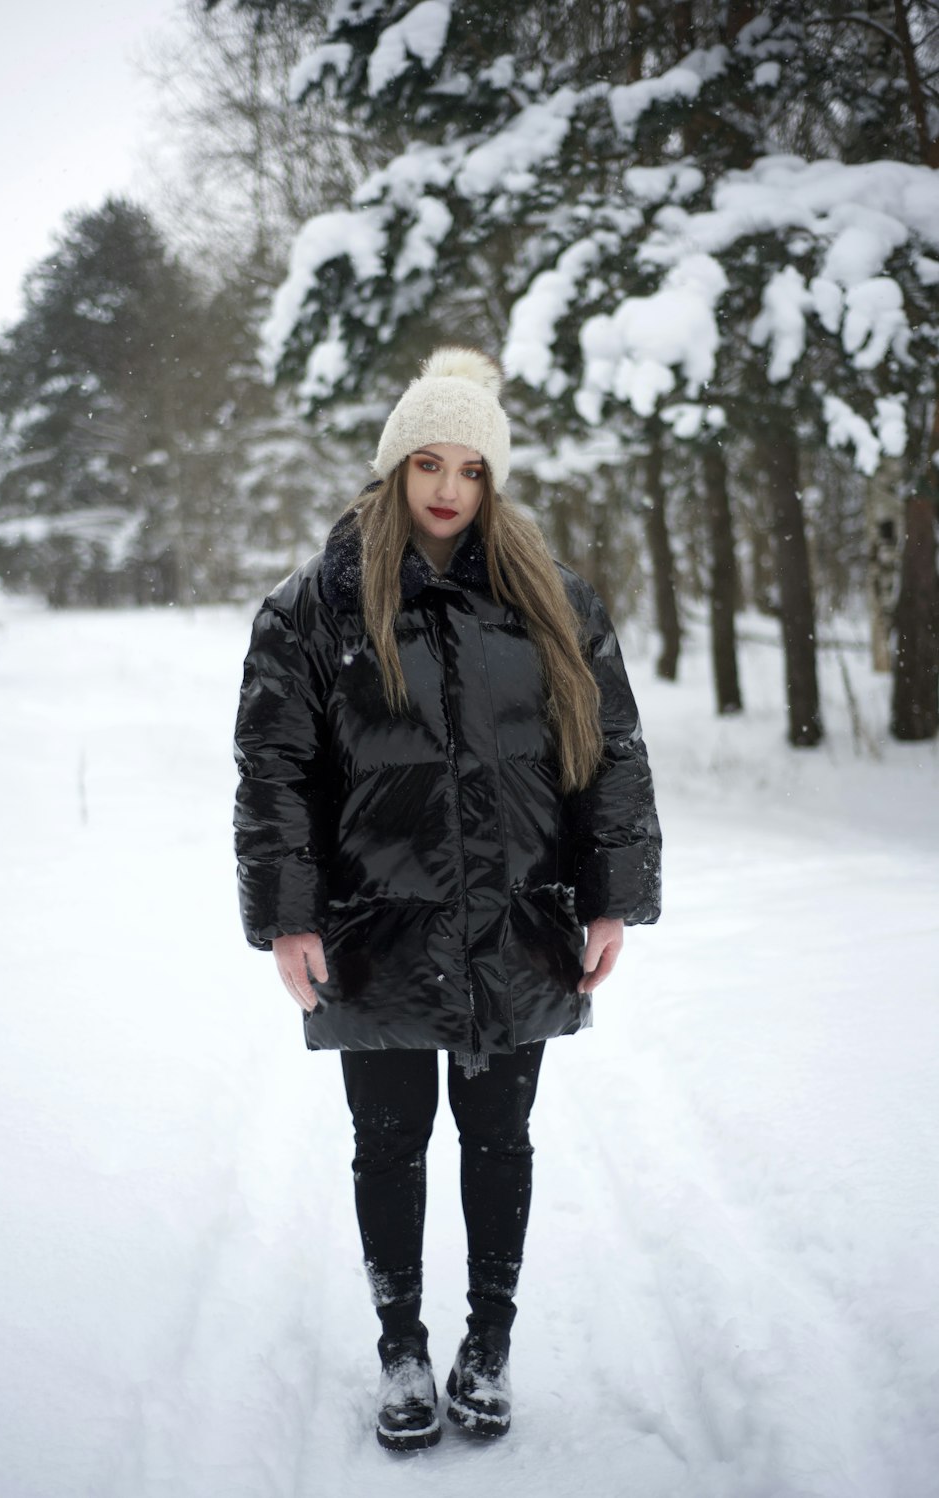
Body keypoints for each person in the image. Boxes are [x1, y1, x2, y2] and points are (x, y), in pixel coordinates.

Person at [233, 346, 661, 1452]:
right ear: (394, 468)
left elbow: (607, 752)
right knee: (388, 1141)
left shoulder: (552, 602)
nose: (447, 489)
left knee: (497, 1137)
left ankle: (487, 1343)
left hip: (518, 915)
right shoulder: (315, 606)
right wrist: (287, 912)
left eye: (471, 468)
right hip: (372, 923)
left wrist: (611, 895)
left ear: (491, 481)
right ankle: (401, 1351)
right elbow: (273, 767)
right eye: (427, 461)